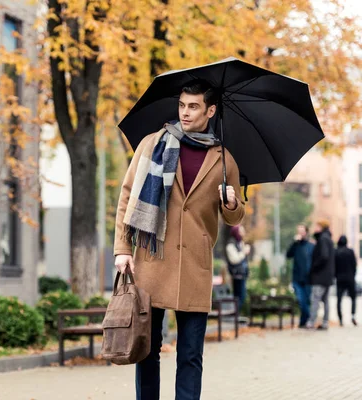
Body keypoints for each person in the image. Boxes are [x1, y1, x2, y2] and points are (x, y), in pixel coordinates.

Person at [114, 79, 245, 400]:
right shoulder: (152, 144)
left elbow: (235, 216)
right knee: (146, 350)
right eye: (182, 105)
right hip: (152, 260)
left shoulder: (224, 158)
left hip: (194, 266)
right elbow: (127, 195)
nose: (185, 113)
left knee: (190, 354)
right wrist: (121, 248)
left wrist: (231, 202)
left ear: (210, 110)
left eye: (194, 106)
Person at [306, 219, 335, 330]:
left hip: (320, 276)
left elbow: (324, 256)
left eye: (317, 226)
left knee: (315, 299)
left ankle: (311, 322)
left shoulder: (322, 239)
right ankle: (325, 322)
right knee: (325, 300)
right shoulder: (329, 239)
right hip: (327, 276)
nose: (315, 228)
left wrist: (314, 267)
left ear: (321, 227)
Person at [286, 224, 314, 328]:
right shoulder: (296, 246)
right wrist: (294, 242)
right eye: (298, 231)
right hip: (297, 279)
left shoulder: (311, 246)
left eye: (302, 231)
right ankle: (307, 320)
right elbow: (288, 255)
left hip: (308, 279)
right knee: (301, 301)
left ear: (306, 232)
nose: (300, 233)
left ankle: (303, 322)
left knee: (306, 301)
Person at [225, 225, 250, 312]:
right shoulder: (231, 244)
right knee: (239, 296)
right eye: (241, 231)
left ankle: (236, 315)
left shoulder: (240, 243)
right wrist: (244, 252)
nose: (243, 233)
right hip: (237, 274)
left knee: (240, 296)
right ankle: (235, 315)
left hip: (242, 274)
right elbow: (234, 259)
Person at [334, 235, 357, 327]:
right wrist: (352, 275)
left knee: (339, 299)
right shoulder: (350, 251)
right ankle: (353, 316)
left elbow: (334, 266)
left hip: (340, 278)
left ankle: (340, 319)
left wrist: (336, 276)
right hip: (350, 278)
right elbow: (354, 265)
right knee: (353, 298)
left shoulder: (336, 252)